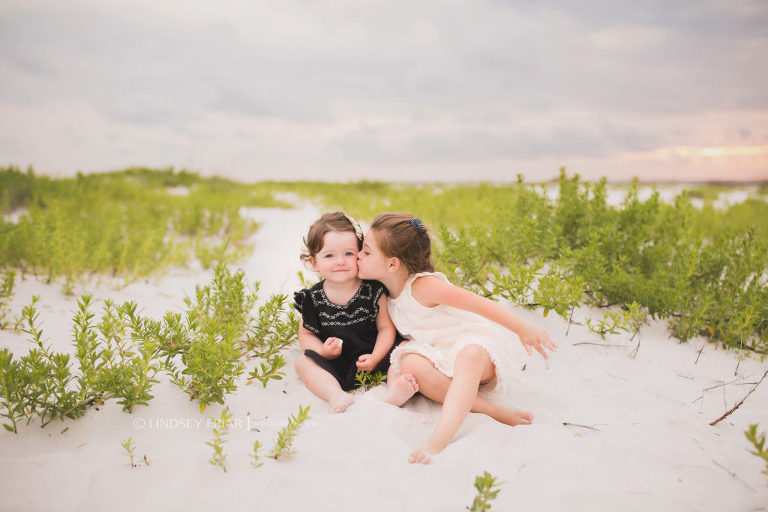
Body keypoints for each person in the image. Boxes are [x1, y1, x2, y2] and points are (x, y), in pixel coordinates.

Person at [356, 212, 557, 464]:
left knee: (468, 356)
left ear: (392, 265)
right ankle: (491, 410)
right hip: (439, 355)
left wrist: (523, 328)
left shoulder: (423, 286)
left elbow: (479, 304)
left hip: (472, 346)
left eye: (365, 251)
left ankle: (438, 440)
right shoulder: (382, 292)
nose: (358, 256)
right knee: (409, 363)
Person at [293, 211, 400, 413]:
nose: (340, 261)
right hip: (336, 362)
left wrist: (377, 356)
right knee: (302, 362)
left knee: (401, 352)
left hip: (374, 356)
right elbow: (306, 334)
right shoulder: (312, 299)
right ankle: (335, 394)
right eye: (329, 255)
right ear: (314, 262)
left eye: (349, 253)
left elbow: (386, 328)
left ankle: (395, 390)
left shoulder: (373, 291)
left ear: (360, 254)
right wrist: (323, 352)